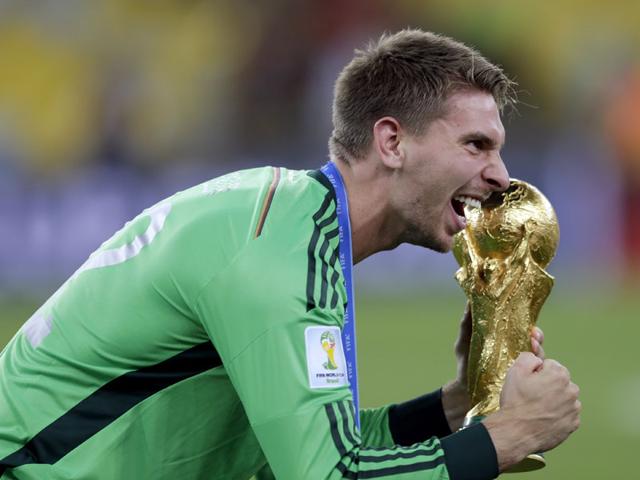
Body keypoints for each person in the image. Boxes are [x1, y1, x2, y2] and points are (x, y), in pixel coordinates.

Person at [0, 29, 580, 479]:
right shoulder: (278, 250)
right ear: (393, 142)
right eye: (476, 144)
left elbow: (313, 452)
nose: (502, 176)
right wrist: (512, 435)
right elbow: (326, 475)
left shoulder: (291, 224)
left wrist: (455, 408)